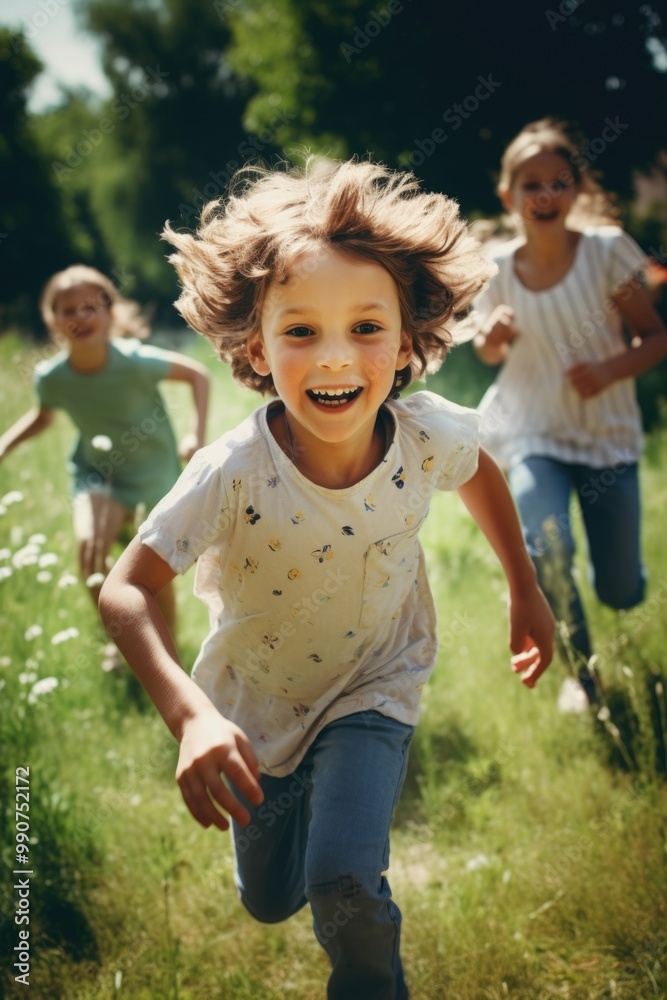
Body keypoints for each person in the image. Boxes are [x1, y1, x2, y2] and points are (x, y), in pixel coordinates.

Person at [98, 159, 555, 999]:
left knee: (342, 880)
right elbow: (125, 590)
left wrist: (524, 587)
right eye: (301, 331)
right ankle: (302, 812)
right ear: (256, 348)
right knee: (270, 899)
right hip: (256, 707)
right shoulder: (232, 471)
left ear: (407, 340)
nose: (336, 357)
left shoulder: (422, 436)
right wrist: (191, 718)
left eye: (366, 327)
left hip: (376, 680)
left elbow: (479, 471)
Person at [472, 119, 667, 709]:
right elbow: (487, 351)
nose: (545, 194)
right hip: (531, 430)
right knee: (547, 547)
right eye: (530, 184)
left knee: (622, 591)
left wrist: (610, 370)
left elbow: (655, 337)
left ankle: (615, 583)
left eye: (559, 181)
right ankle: (584, 676)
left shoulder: (605, 253)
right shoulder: (497, 267)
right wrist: (492, 335)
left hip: (606, 435)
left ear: (576, 190)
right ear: (508, 195)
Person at [0, 265, 210, 663]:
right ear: (53, 320)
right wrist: (5, 443)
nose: (80, 317)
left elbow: (198, 375)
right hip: (98, 475)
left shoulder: (135, 361)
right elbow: (43, 417)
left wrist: (194, 435)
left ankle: (165, 655)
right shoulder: (52, 378)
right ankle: (124, 640)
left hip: (153, 477)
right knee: (91, 554)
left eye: (91, 307)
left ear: (110, 314)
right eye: (68, 310)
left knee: (150, 575)